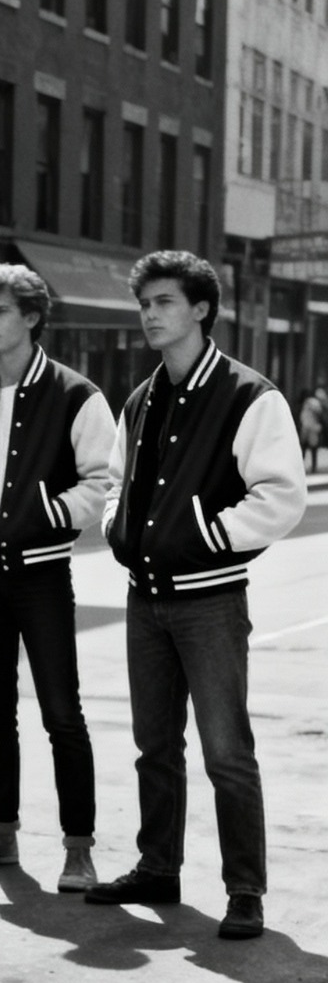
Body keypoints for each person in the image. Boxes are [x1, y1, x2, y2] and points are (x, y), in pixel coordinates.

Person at [85, 250, 307, 939]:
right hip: (143, 596)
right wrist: (117, 526)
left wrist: (208, 534)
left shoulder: (250, 394)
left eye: (165, 302)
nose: (150, 315)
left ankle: (245, 891)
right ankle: (159, 865)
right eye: (145, 303)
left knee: (226, 753)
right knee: (154, 746)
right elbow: (117, 480)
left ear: (201, 309)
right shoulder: (140, 397)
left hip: (209, 600)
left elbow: (282, 496)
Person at [0, 264, 114, 892]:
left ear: (32, 317)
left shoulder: (75, 394)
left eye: (0, 312)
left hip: (40, 576)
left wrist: (48, 516)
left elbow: (101, 482)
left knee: (63, 713)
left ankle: (79, 849)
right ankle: (1, 833)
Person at [299, 384, 325, 474]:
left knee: (304, 447)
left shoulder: (307, 403)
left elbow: (303, 416)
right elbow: (320, 414)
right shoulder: (315, 403)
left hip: (307, 427)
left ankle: (301, 466)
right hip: (313, 427)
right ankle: (313, 467)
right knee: (313, 448)